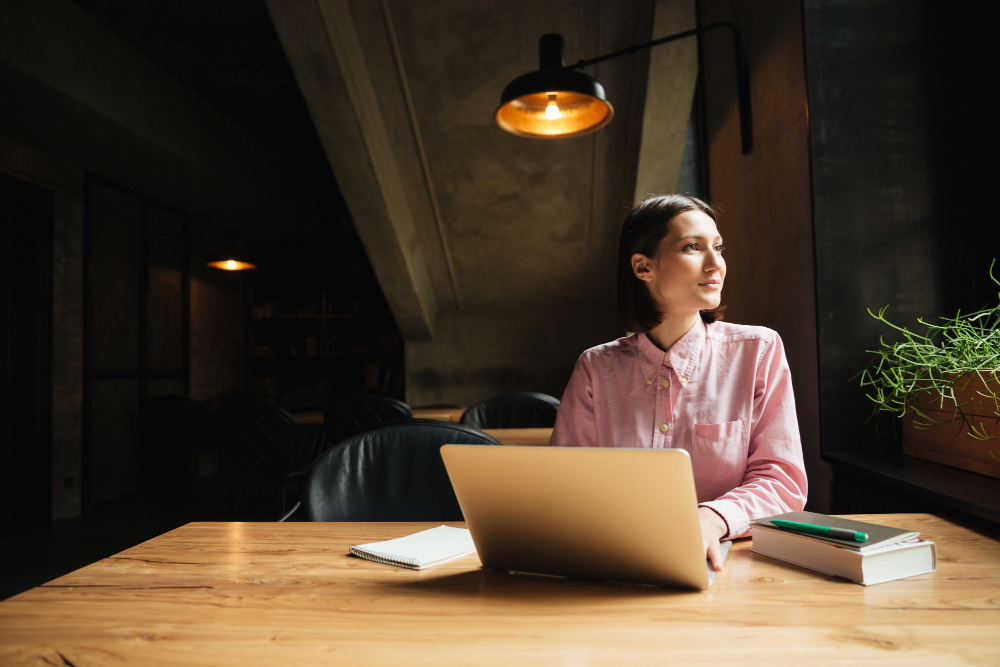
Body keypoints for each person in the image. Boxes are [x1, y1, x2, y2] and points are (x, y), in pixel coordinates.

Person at [550, 195, 808, 571]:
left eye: (718, 247)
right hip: (616, 564)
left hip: (732, 566)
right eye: (693, 247)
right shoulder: (595, 368)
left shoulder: (758, 350)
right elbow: (566, 485)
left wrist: (713, 518)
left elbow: (781, 480)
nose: (715, 262)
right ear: (643, 267)